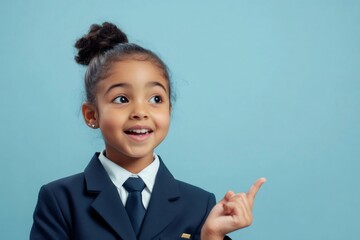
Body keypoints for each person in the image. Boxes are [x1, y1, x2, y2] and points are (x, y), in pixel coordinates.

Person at [30, 22, 266, 240]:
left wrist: (212, 235)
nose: (140, 111)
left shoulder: (200, 205)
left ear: (169, 110)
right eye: (122, 99)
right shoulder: (60, 200)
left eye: (155, 98)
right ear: (92, 115)